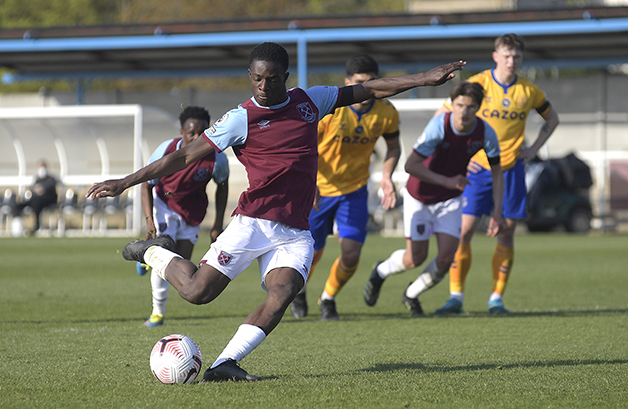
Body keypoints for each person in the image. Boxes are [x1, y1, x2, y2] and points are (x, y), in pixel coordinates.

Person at [87, 41, 465, 382]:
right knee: (198, 292)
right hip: (252, 223)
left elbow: (368, 89)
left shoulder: (309, 101)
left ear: (284, 77)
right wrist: (127, 181)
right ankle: (152, 251)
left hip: (296, 231)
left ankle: (224, 364)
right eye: (256, 79)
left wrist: (423, 78)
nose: (263, 87)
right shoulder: (240, 118)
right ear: (249, 77)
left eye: (270, 79)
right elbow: (184, 155)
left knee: (283, 291)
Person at [434, 33, 560, 315]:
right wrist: (454, 154)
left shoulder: (529, 92)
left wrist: (534, 149)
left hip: (512, 170)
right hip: (476, 170)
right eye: (506, 55)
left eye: (516, 56)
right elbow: (443, 115)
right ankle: (456, 296)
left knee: (505, 233)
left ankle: (496, 299)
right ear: (495, 56)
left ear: (521, 58)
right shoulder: (477, 84)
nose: (511, 61)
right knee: (463, 232)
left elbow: (552, 120)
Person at [362, 81, 504, 317]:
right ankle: (381, 271)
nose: (464, 112)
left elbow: (498, 173)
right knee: (414, 258)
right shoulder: (440, 125)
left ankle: (411, 294)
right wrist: (447, 181)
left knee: (446, 257)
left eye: (470, 107)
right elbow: (410, 165)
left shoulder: (485, 132)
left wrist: (497, 211)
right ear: (452, 104)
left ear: (478, 108)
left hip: (450, 199)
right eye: (459, 105)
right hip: (420, 196)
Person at [289, 54, 401, 320]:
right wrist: (310, 180)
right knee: (312, 253)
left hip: (354, 191)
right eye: (361, 83)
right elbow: (304, 147)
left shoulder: (386, 112)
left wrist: (386, 177)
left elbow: (394, 146)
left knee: (351, 254)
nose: (366, 88)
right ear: (348, 82)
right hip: (320, 190)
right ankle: (299, 291)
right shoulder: (331, 111)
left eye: (372, 82)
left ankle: (328, 299)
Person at [136, 105, 229, 327]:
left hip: (192, 212)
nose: (197, 138)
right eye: (191, 133)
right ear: (182, 133)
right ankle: (157, 313)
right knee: (165, 258)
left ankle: (146, 255)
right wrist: (150, 222)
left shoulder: (216, 158)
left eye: (202, 133)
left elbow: (222, 186)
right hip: (164, 206)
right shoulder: (165, 151)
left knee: (182, 265)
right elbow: (146, 185)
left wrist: (217, 224)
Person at [18, 160, 58, 233]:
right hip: (36, 200)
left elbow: (50, 187)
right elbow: (33, 189)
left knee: (37, 202)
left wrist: (42, 189)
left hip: (47, 201)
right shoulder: (37, 179)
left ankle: (36, 225)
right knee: (24, 203)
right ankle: (18, 219)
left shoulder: (50, 179)